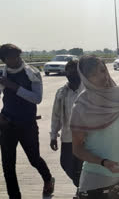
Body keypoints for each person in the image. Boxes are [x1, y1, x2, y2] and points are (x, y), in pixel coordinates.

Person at [70, 55, 119, 199]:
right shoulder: (82, 106)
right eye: (93, 74)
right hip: (96, 181)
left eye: (103, 71)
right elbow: (77, 149)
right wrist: (104, 162)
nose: (101, 77)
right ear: (85, 78)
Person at [0, 44, 55, 198]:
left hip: (27, 125)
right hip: (7, 125)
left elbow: (36, 98)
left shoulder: (33, 73)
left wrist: (13, 86)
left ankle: (48, 178)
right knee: (8, 165)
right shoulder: (2, 74)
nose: (16, 60)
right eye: (11, 57)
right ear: (4, 60)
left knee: (34, 159)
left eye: (17, 56)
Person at [50, 59, 83, 198]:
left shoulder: (89, 90)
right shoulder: (62, 92)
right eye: (69, 70)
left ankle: (82, 190)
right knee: (66, 164)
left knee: (83, 167)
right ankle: (80, 186)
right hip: (68, 137)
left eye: (75, 70)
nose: (71, 73)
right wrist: (53, 136)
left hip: (87, 138)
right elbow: (56, 115)